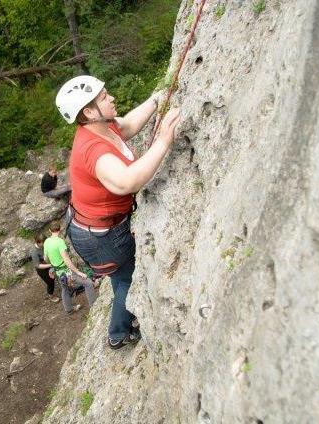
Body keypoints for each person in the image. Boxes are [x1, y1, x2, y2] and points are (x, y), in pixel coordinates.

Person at [55, 75, 180, 349]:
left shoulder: (103, 127)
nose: (110, 98)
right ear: (88, 112)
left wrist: (156, 99)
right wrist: (163, 142)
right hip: (101, 236)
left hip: (94, 226)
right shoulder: (92, 149)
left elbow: (131, 124)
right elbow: (127, 182)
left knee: (121, 276)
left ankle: (119, 324)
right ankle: (118, 334)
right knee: (127, 278)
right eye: (103, 98)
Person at [43, 220, 97, 314]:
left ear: (49, 230)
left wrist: (53, 266)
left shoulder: (47, 242)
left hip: (58, 272)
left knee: (65, 289)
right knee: (88, 282)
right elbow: (67, 260)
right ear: (59, 230)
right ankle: (94, 307)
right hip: (66, 272)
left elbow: (45, 258)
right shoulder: (60, 242)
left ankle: (69, 309)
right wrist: (78, 272)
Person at [30, 233, 60, 303]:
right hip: (42, 270)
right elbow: (38, 265)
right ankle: (51, 295)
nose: (45, 244)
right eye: (44, 243)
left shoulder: (43, 246)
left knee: (54, 276)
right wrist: (50, 265)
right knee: (50, 282)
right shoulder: (34, 252)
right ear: (38, 242)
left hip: (48, 264)